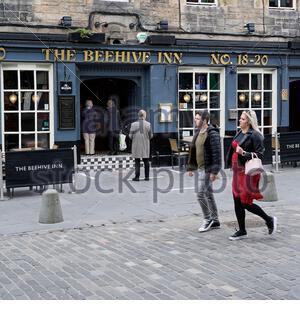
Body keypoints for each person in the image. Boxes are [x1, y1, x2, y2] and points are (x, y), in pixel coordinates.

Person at [226, 110, 277, 240]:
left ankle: (269, 220)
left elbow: (260, 155)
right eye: (240, 119)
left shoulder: (255, 135)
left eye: (242, 119)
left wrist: (244, 153)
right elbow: (233, 148)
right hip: (238, 171)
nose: (240, 120)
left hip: (248, 173)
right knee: (237, 201)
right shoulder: (239, 132)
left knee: (245, 202)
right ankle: (242, 230)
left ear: (248, 121)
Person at [187, 110, 221, 232]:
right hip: (200, 168)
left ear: (205, 120)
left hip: (208, 169)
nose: (195, 120)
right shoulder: (198, 132)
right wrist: (191, 167)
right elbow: (193, 150)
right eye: (195, 118)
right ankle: (215, 220)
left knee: (200, 194)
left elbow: (217, 154)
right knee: (208, 194)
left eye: (197, 118)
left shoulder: (212, 133)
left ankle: (208, 219)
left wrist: (214, 172)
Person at [129, 109, 153, 181]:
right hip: (145, 145)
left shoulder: (133, 124)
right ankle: (147, 177)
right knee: (146, 161)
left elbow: (130, 136)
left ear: (138, 116)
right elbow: (151, 136)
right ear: (145, 116)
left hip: (136, 146)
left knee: (137, 161)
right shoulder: (148, 124)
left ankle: (137, 177)